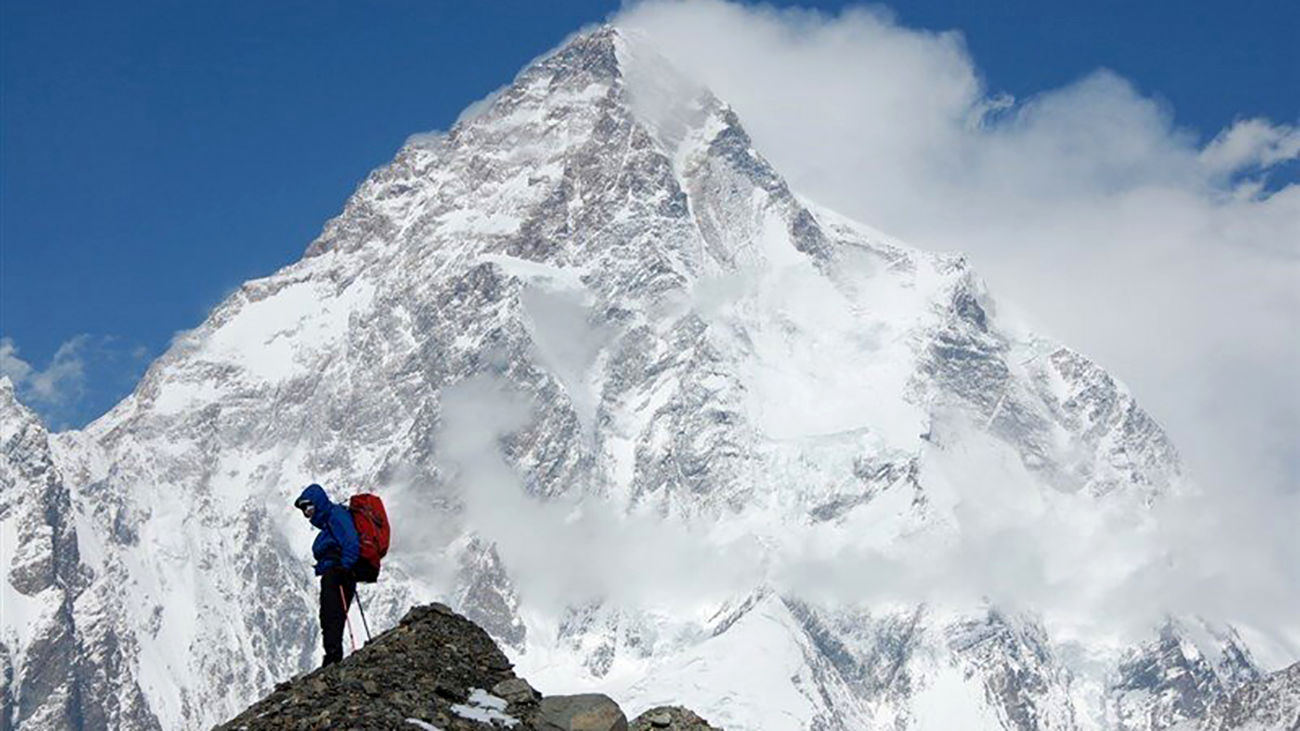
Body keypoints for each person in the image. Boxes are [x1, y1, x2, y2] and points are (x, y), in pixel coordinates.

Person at [294, 483, 360, 666]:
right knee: (330, 614)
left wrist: (344, 567)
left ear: (318, 502)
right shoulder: (329, 522)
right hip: (335, 572)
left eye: (309, 507)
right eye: (304, 510)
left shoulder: (336, 516)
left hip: (339, 573)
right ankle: (332, 654)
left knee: (332, 614)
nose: (307, 513)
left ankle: (333, 656)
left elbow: (352, 542)